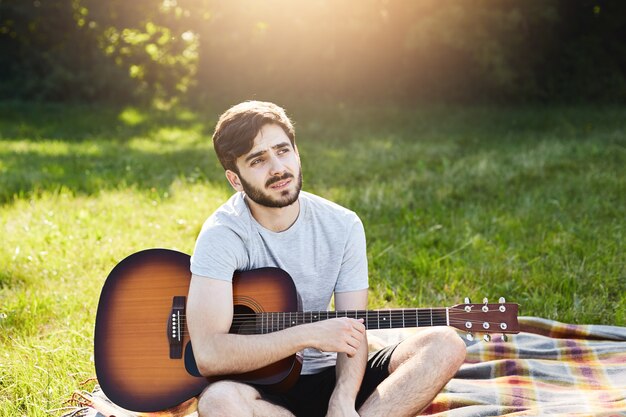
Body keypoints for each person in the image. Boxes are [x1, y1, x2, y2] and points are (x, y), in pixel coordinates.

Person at [186, 101, 466, 417]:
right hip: (260, 388)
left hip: (332, 376)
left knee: (445, 344)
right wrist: (308, 334)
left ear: (297, 152)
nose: (278, 168)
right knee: (216, 402)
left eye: (282, 150)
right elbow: (208, 353)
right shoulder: (222, 233)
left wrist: (343, 399)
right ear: (235, 180)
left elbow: (354, 329)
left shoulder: (343, 225)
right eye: (258, 160)